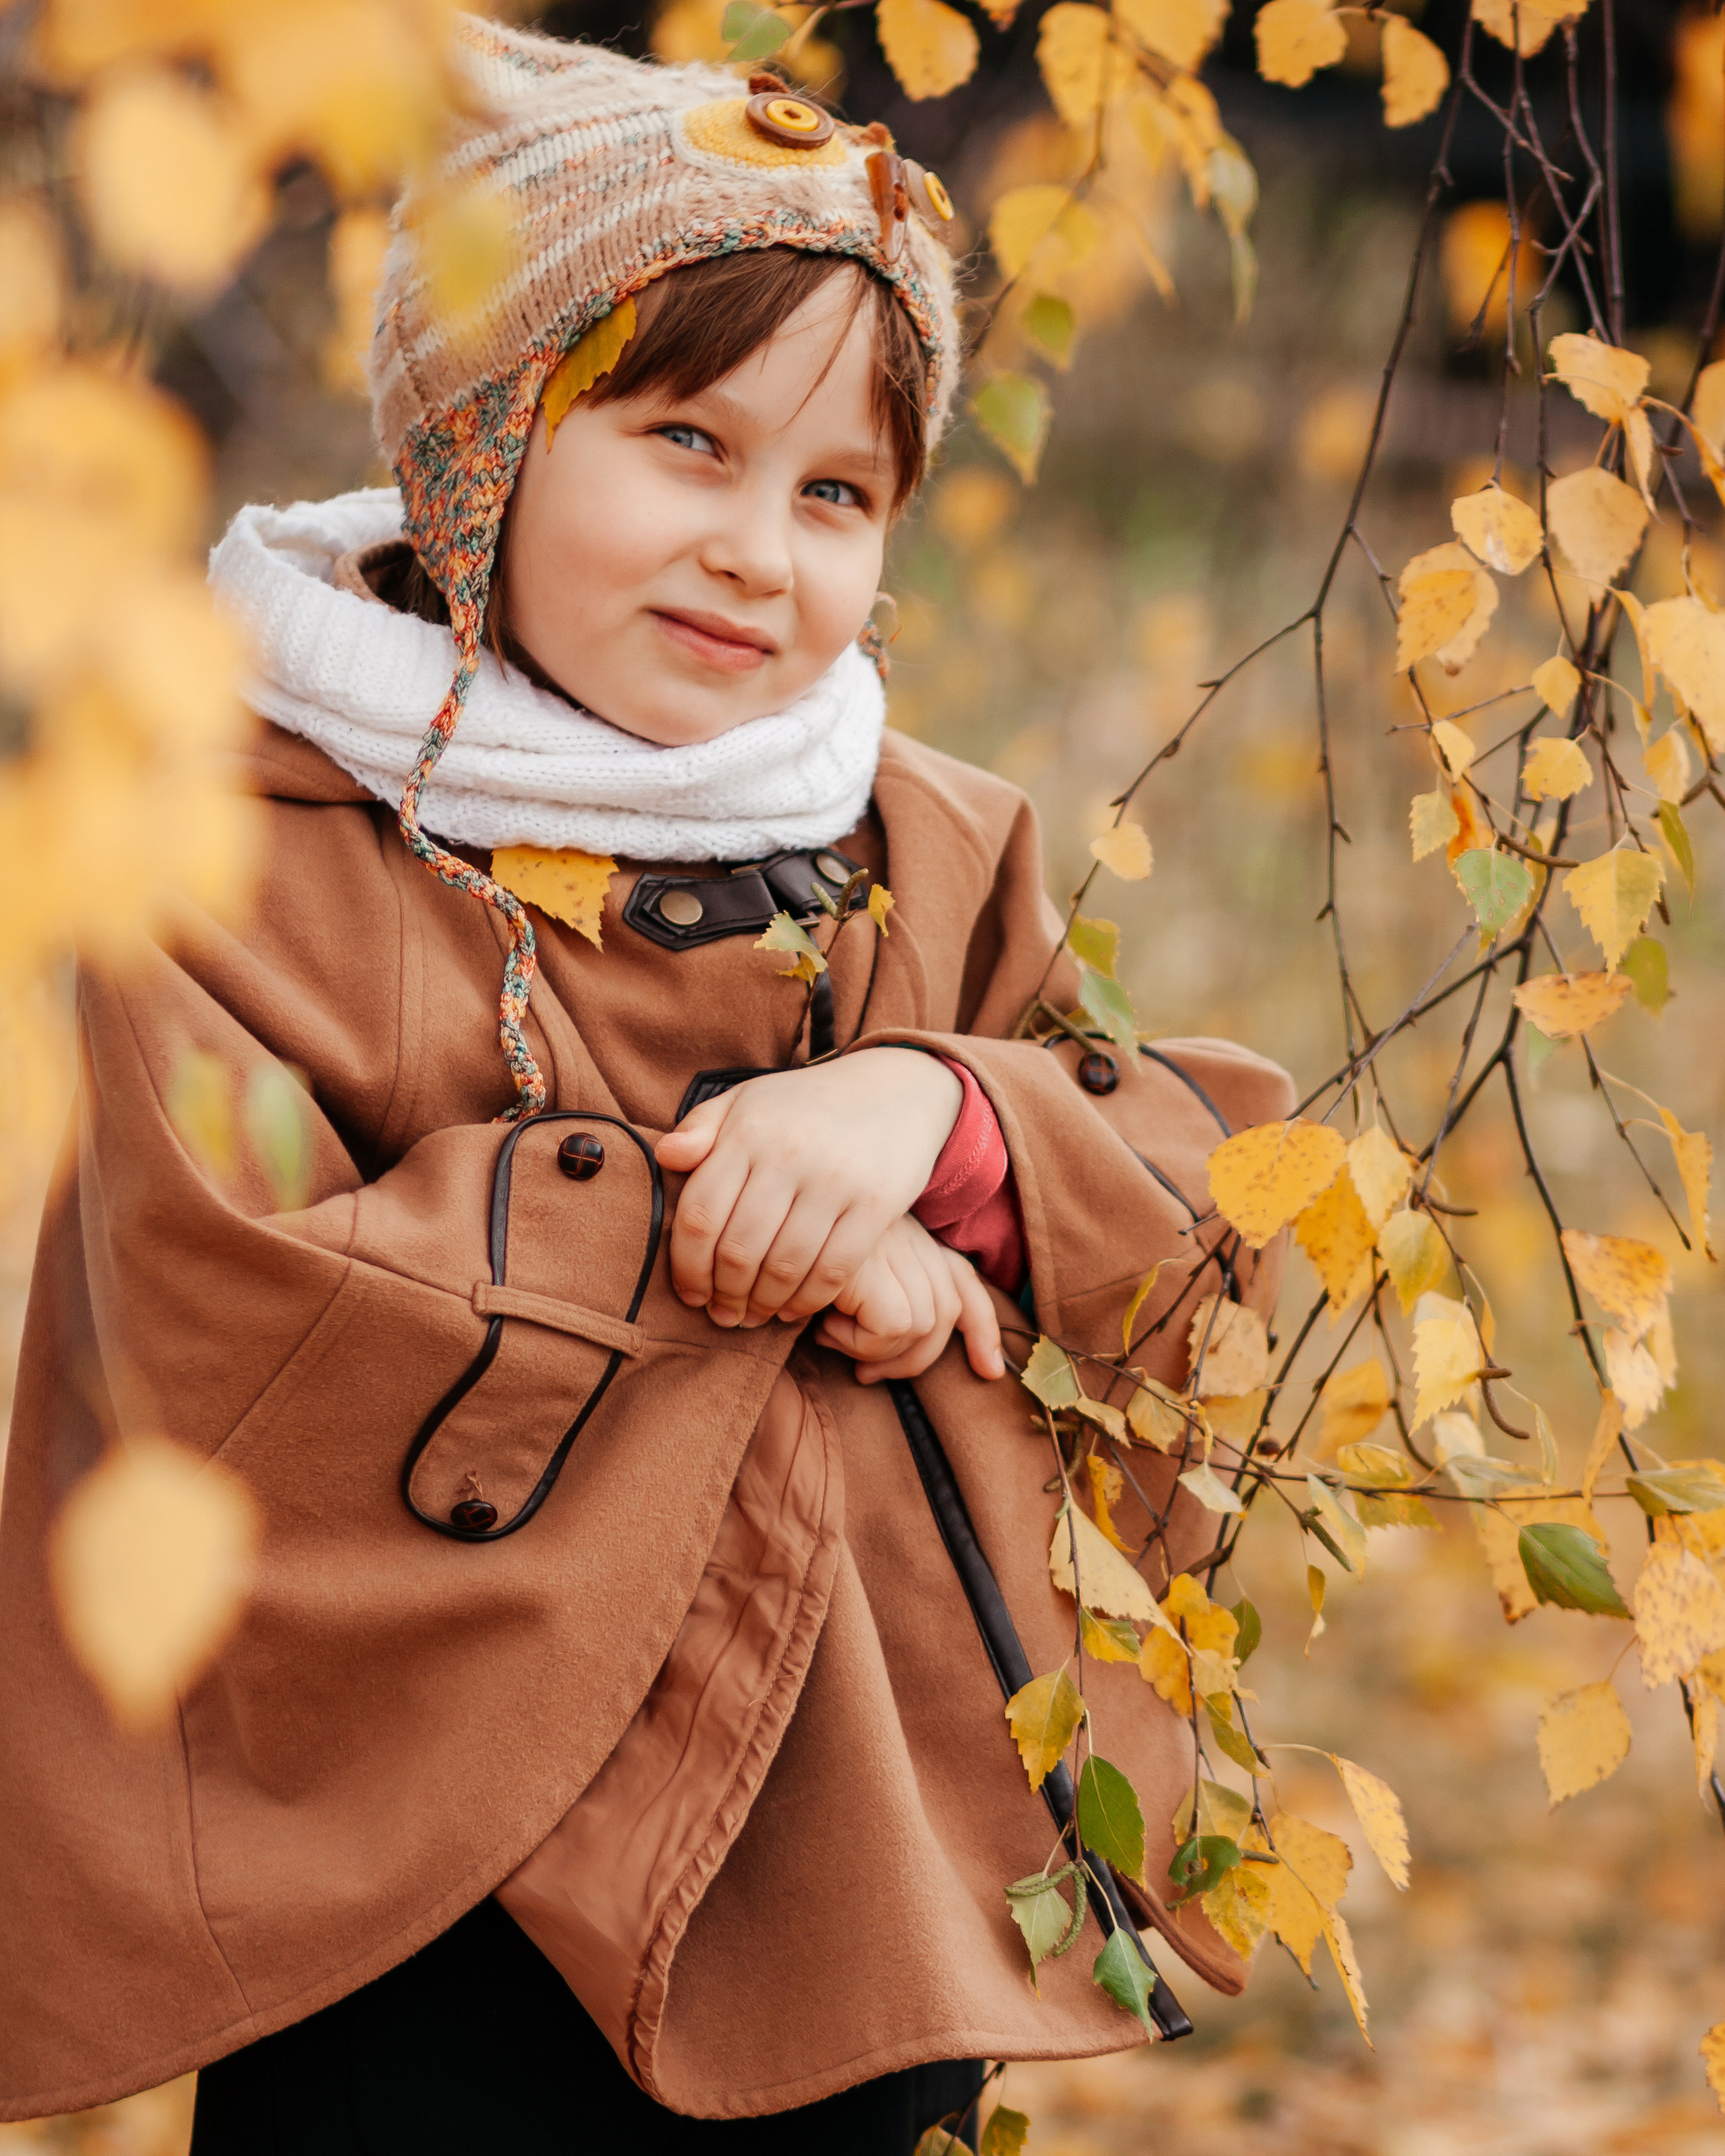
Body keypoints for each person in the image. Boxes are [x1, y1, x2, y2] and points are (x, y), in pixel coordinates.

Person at [0, 18, 1294, 2151]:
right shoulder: (235, 851)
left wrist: (935, 1130)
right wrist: (771, 1252)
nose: (758, 552)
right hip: (417, 1878)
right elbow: (229, 1302)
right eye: (684, 441)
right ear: (482, 442)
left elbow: (1201, 1184)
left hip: (843, 1836)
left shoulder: (924, 845)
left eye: (840, 494)